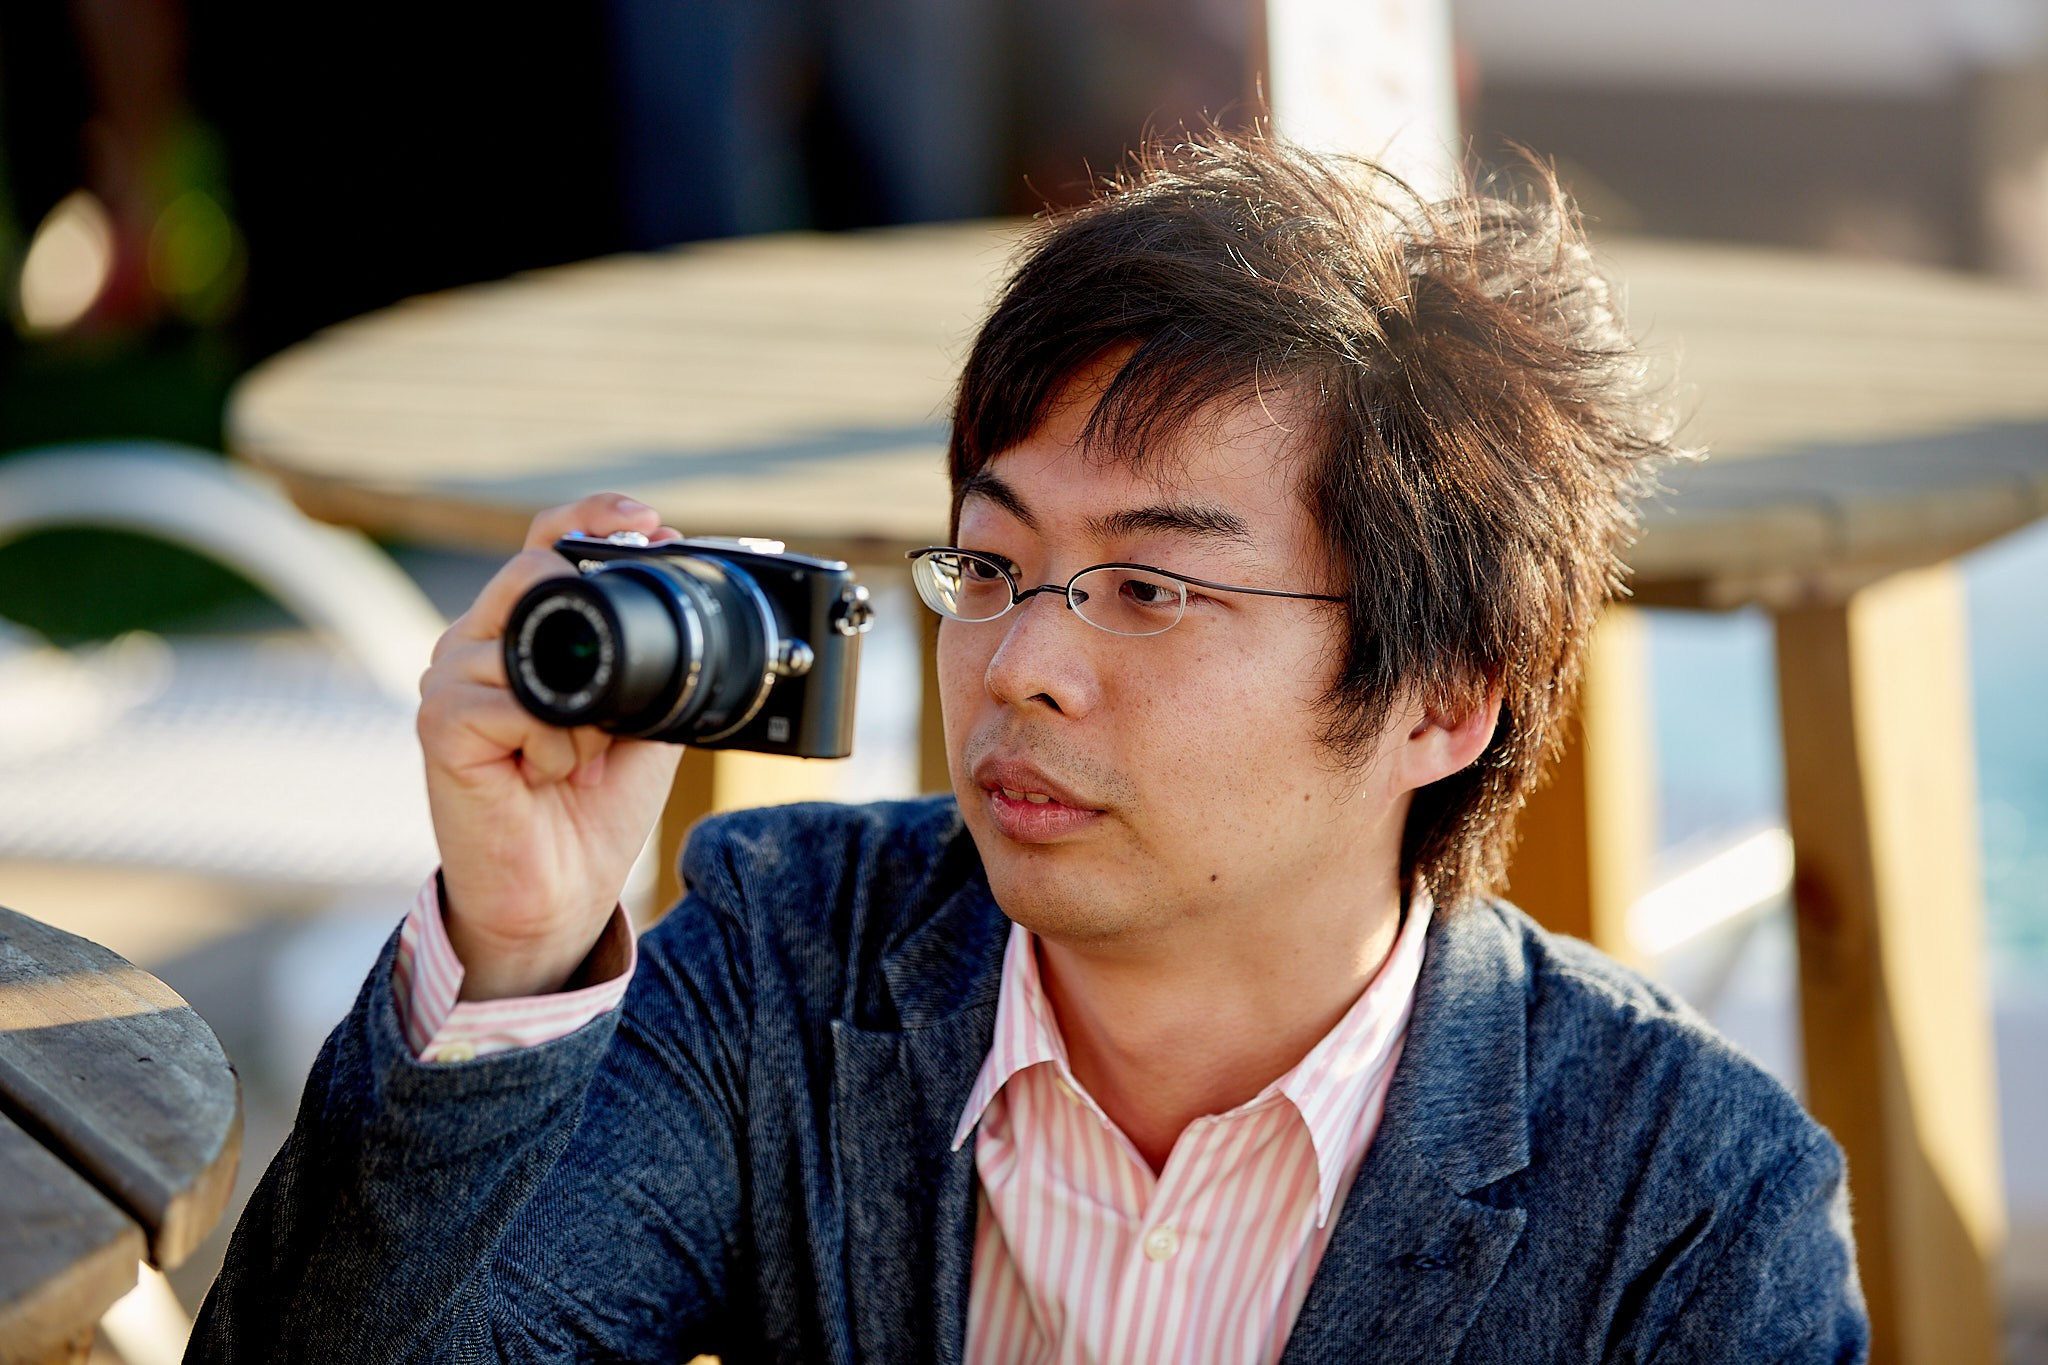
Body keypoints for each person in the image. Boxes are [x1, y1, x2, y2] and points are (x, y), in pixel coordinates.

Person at [190, 132, 1867, 1363]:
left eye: (1149, 586)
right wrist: (517, 943)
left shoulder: (1692, 1208)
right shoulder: (795, 964)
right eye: (988, 566)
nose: (1022, 663)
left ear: (1444, 693)